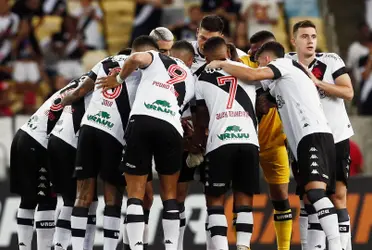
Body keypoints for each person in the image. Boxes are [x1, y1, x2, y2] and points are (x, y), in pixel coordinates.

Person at [206, 41, 343, 250]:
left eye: (259, 62)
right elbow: (261, 100)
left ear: (268, 60)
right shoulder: (284, 81)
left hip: (312, 135)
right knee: (311, 198)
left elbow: (252, 76)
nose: (257, 67)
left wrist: (220, 63)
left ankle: (337, 245)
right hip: (308, 139)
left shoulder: (284, 64)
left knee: (316, 195)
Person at [60, 36, 160, 250]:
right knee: (112, 196)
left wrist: (62, 101)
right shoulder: (147, 68)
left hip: (88, 130)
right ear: (145, 52)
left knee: (83, 194)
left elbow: (79, 92)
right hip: (114, 134)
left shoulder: (105, 61)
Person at [96, 40, 195, 250]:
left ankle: (137, 246)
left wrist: (118, 78)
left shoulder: (156, 57)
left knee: (135, 194)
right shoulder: (191, 78)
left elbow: (135, 58)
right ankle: (170, 247)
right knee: (170, 196)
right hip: (172, 126)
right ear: (189, 60)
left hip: (142, 120)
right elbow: (188, 118)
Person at [286, 20, 354, 250]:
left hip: (336, 136)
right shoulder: (286, 63)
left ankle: (343, 247)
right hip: (307, 138)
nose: (310, 41)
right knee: (309, 197)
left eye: (313, 36)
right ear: (293, 40)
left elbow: (348, 91)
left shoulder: (331, 60)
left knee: (338, 197)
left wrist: (317, 83)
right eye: (304, 36)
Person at [190, 36, 260, 250]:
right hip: (249, 140)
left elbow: (201, 120)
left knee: (215, 201)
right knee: (244, 199)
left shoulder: (201, 79)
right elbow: (264, 106)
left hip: (220, 141)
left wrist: (196, 146)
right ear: (227, 53)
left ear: (205, 57)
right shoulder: (248, 72)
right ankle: (243, 246)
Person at [9, 80, 87, 250]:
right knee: (48, 200)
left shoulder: (78, 82)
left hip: (23, 134)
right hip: (40, 141)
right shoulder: (90, 88)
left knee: (28, 200)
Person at [239, 30, 293, 250]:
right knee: (243, 196)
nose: (255, 53)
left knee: (280, 196)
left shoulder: (286, 68)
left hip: (274, 141)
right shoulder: (241, 62)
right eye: (253, 49)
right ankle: (243, 246)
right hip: (244, 140)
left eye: (260, 49)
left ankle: (285, 247)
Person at [46, 74, 96, 250]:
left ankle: (60, 247)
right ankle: (83, 247)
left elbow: (55, 106)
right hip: (72, 142)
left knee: (70, 200)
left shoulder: (80, 82)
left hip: (55, 139)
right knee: (84, 199)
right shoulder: (104, 83)